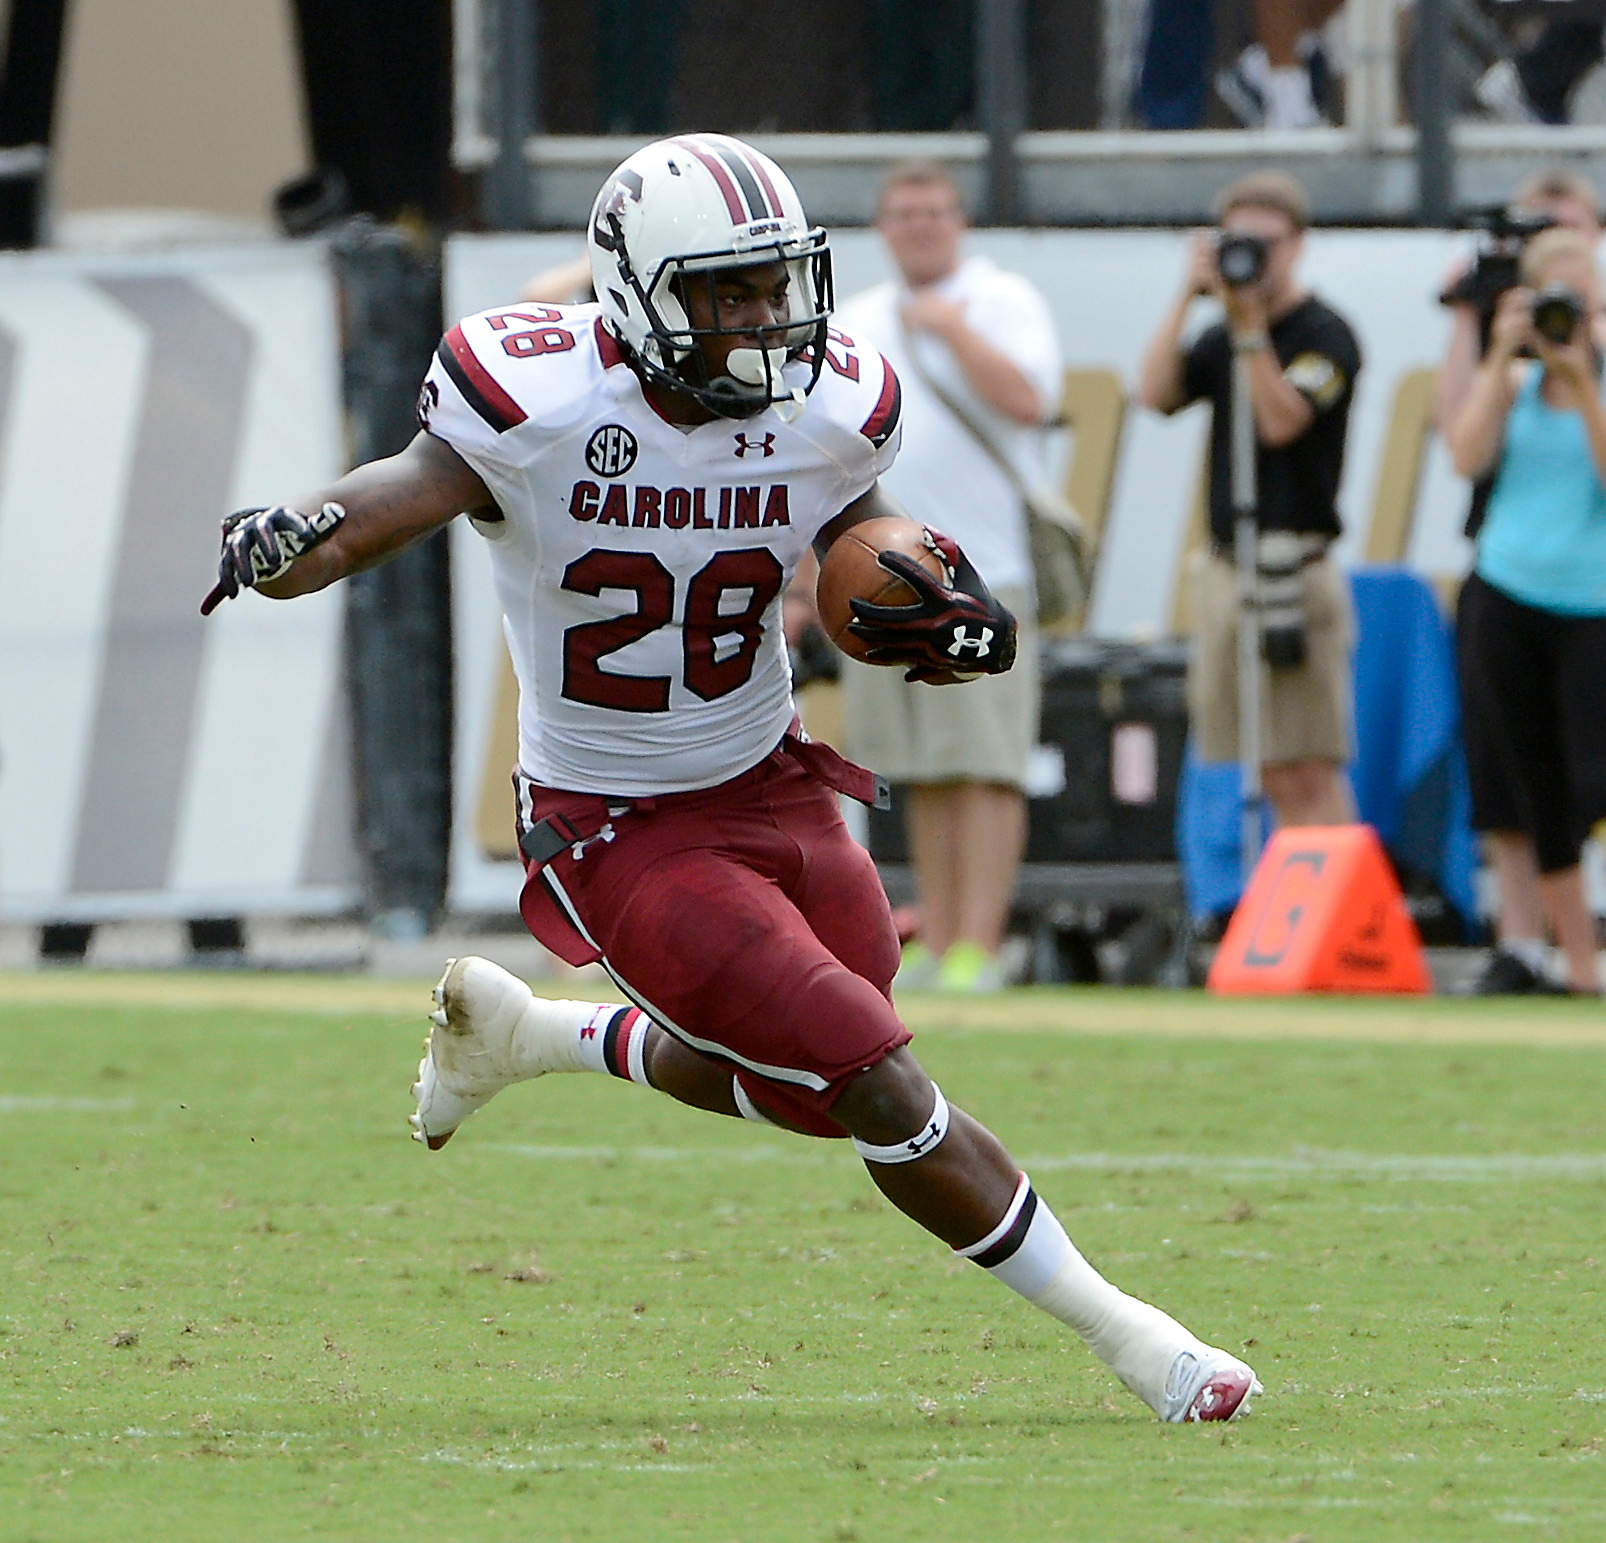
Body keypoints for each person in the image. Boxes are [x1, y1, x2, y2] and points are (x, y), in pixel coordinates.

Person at [201, 133, 1258, 1425]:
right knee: (867, 1072)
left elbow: (851, 538)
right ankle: (1143, 1343)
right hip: (618, 822)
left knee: (820, 1066)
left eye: (775, 285)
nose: (765, 319)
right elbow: (391, 498)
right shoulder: (535, 400)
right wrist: (293, 535)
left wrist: (931, 597)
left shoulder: (830, 402)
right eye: (727, 292)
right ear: (637, 293)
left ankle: (545, 1034)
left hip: (770, 777)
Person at [834, 161, 1061, 994]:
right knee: (920, 767)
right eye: (905, 212)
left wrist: (952, 332)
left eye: (935, 210)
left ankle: (981, 942)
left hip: (985, 572)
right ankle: (936, 931)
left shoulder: (1004, 300)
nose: (921, 224)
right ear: (884, 227)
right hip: (890, 576)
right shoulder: (857, 319)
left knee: (985, 762)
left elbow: (1029, 402)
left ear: (960, 221)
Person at [1138, 170, 1361, 833]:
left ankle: (1335, 917)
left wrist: (1251, 328)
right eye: (1238, 241)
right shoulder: (1220, 335)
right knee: (1261, 768)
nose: (1252, 257)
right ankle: (1289, 910)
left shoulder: (1327, 334)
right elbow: (1153, 393)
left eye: (1266, 242)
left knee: (1305, 768)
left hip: (1294, 568)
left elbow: (1280, 420)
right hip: (1230, 568)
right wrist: (1189, 293)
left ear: (1297, 245)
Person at [1434, 171, 1604, 995]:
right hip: (1507, 587)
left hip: (1591, 600)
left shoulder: (1592, 379)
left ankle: (1578, 945)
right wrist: (1503, 349)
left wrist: (1582, 380)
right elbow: (1465, 454)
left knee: (1589, 779)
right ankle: (1571, 961)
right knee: (1529, 780)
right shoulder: (1518, 375)